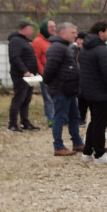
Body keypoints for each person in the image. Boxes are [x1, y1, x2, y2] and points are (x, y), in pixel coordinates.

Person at [79, 21, 107, 164]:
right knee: (100, 124)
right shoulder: (102, 50)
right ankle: (100, 154)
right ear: (100, 33)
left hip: (89, 92)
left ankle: (87, 151)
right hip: (102, 93)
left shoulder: (85, 48)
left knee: (94, 122)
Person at [42, 22, 83, 155]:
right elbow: (49, 69)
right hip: (61, 89)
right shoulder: (57, 48)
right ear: (63, 33)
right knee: (60, 117)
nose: (76, 36)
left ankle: (77, 143)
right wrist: (47, 82)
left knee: (74, 117)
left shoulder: (65, 47)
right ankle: (58, 146)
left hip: (69, 89)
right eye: (73, 33)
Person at [7, 20, 39, 132]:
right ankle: (12, 124)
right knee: (19, 98)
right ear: (24, 29)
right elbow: (15, 57)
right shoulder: (16, 41)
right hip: (21, 75)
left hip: (30, 75)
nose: (32, 31)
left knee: (26, 99)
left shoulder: (25, 41)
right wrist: (24, 70)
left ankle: (25, 122)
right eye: (30, 29)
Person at [33, 17, 56, 126]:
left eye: (54, 26)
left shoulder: (53, 40)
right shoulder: (38, 41)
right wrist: (43, 73)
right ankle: (50, 118)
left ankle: (59, 117)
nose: (54, 28)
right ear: (45, 28)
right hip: (46, 74)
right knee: (48, 98)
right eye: (51, 27)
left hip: (56, 74)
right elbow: (36, 59)